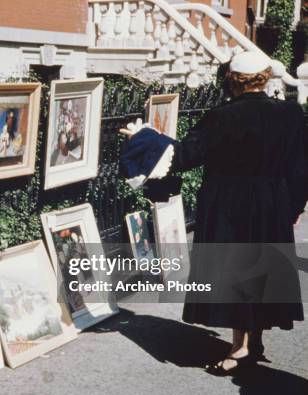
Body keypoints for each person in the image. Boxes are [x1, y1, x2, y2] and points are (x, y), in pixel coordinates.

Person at [120, 51, 306, 375]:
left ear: (233, 78)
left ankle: (240, 349)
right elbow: (301, 166)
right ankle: (253, 340)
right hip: (271, 202)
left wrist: (142, 137)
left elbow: (183, 156)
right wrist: (293, 206)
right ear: (264, 77)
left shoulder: (223, 116)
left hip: (230, 205)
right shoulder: (290, 113)